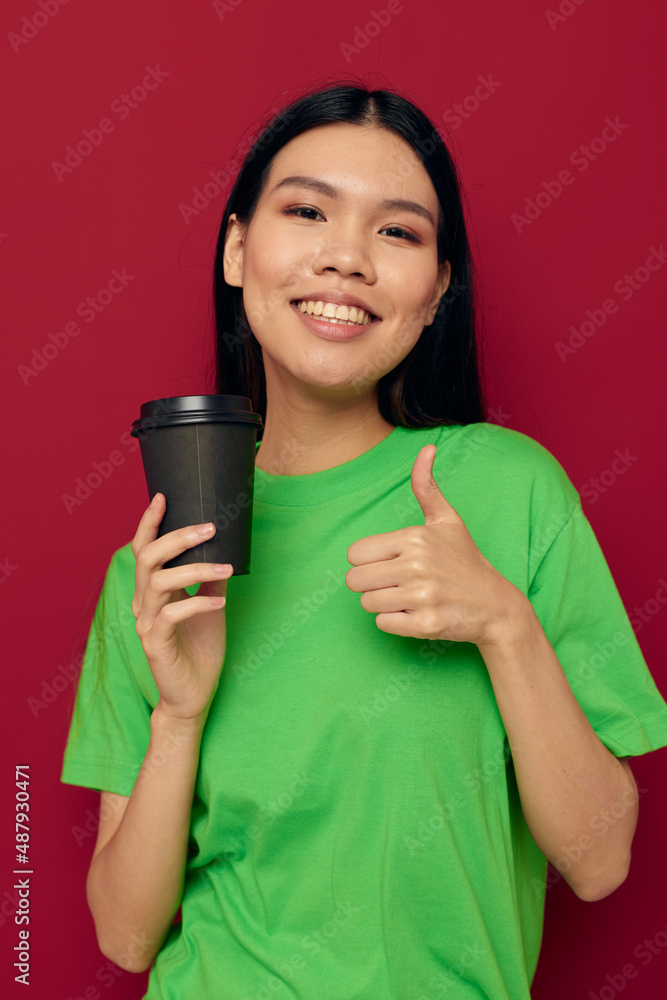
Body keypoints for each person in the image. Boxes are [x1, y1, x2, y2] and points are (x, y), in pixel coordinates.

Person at [61, 83, 667, 999]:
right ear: (236, 249)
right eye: (305, 211)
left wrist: (502, 623)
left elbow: (598, 862)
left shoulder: (508, 490)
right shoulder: (158, 565)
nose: (343, 257)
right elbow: (125, 936)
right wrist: (178, 717)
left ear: (437, 290)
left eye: (397, 232)